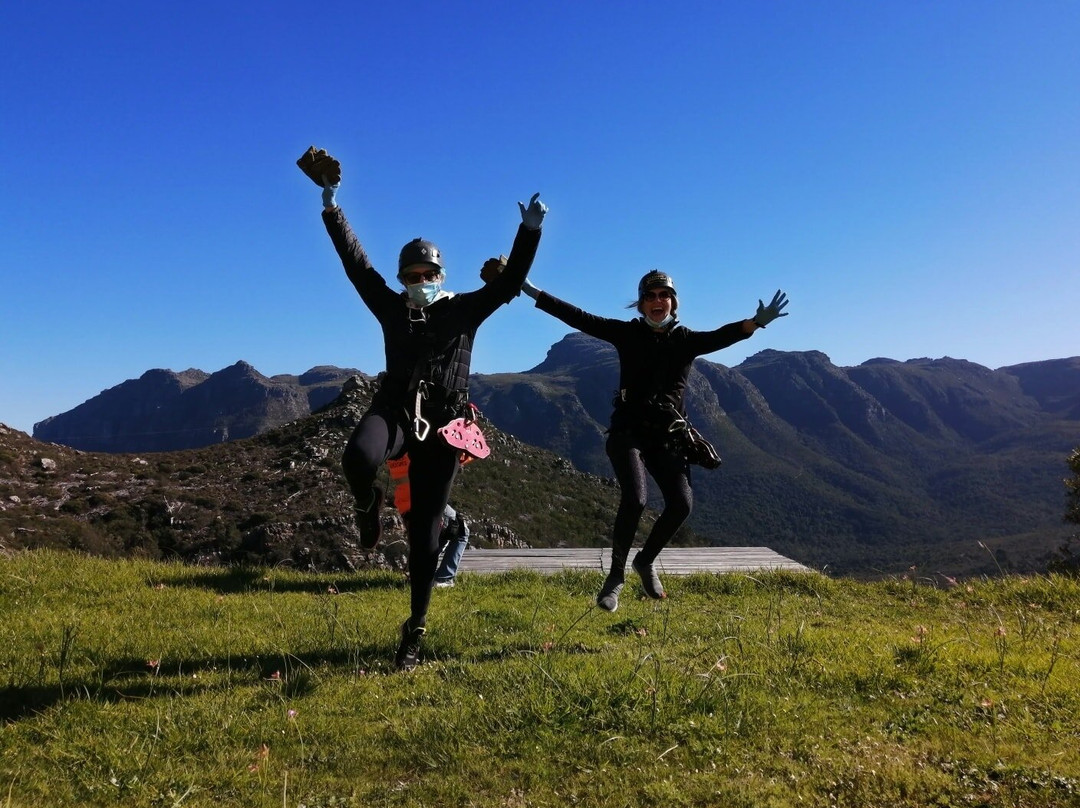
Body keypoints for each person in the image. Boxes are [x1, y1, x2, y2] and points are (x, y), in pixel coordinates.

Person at [297, 146, 547, 669]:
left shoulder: (463, 310)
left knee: (425, 534)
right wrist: (330, 206)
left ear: (440, 275)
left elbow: (505, 285)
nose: (419, 282)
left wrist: (529, 232)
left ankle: (414, 631)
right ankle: (369, 513)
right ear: (403, 279)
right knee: (357, 459)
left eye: (426, 274)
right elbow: (357, 266)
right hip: (393, 409)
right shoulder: (391, 308)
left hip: (444, 425)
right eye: (411, 275)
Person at [504, 267, 788, 612]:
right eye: (650, 296)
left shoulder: (685, 340)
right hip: (628, 432)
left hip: (668, 435)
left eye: (664, 295)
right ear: (640, 304)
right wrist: (532, 291)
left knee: (681, 504)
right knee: (635, 499)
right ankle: (616, 578)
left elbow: (724, 335)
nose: (658, 301)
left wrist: (756, 322)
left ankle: (646, 561)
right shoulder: (627, 334)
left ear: (674, 302)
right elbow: (578, 317)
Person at [434, 504, 470, 587]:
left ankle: (419, 576)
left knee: (428, 541)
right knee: (462, 532)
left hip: (406, 509)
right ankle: (443, 578)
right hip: (432, 505)